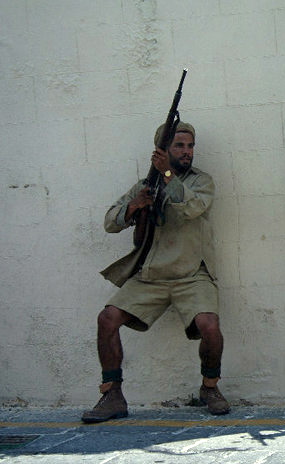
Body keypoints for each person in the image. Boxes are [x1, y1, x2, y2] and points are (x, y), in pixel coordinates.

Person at [81, 121, 229, 423]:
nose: (187, 152)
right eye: (179, 146)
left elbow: (192, 208)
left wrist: (168, 174)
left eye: (190, 146)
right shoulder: (145, 183)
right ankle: (112, 395)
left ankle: (209, 387)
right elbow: (110, 222)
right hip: (152, 274)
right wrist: (135, 206)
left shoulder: (202, 181)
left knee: (210, 326)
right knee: (107, 319)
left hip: (192, 273)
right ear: (162, 150)